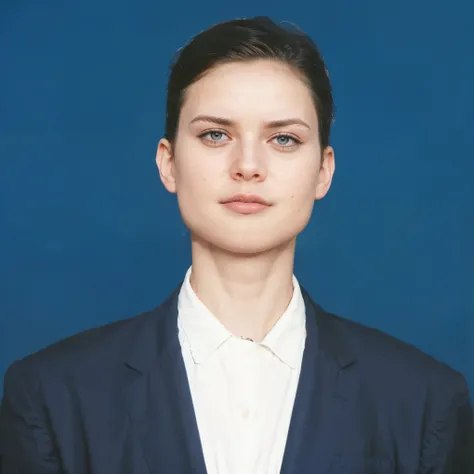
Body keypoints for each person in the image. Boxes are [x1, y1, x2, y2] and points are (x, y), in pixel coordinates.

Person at [0, 16, 472, 474]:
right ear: (168, 163)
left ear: (323, 170)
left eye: (284, 138)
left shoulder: (425, 403)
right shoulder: (51, 396)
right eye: (215, 134)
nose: (248, 165)